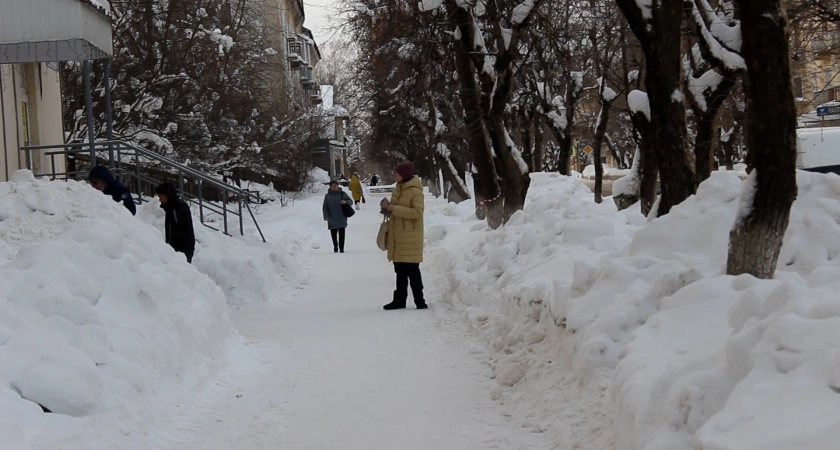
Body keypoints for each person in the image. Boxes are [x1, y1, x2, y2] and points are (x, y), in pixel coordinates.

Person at [381, 162, 427, 310]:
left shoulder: (415, 191)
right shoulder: (398, 189)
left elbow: (417, 212)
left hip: (410, 236)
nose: (394, 174)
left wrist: (395, 208)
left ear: (404, 175)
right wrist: (387, 209)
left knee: (412, 270)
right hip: (397, 236)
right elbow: (396, 210)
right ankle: (399, 300)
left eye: (397, 172)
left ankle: (420, 301)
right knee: (400, 271)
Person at [155, 182, 196, 263]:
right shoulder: (171, 207)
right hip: (178, 248)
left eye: (161, 197)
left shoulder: (177, 207)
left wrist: (174, 248)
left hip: (183, 249)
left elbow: (183, 229)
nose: (160, 200)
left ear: (168, 195)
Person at [322, 180, 353, 253]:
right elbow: (325, 207)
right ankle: (335, 246)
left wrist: (346, 202)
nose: (334, 186)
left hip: (341, 216)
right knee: (333, 233)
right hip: (331, 217)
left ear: (337, 186)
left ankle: (341, 248)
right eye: (332, 185)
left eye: (335, 185)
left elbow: (350, 201)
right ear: (330, 187)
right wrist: (326, 216)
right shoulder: (327, 196)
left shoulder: (342, 194)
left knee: (342, 233)